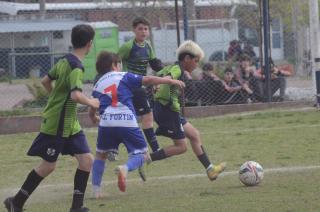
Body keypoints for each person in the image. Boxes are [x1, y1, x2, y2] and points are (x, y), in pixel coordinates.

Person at [3, 24, 99, 212]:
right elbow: (75, 96)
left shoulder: (65, 60)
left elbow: (45, 81)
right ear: (90, 44)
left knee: (87, 159)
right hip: (58, 123)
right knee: (48, 166)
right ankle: (16, 202)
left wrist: (56, 97)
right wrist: (92, 103)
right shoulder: (76, 67)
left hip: (70, 123)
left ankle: (76, 208)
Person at [89, 51, 185, 196]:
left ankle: (96, 191)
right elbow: (147, 79)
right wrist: (170, 81)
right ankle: (125, 168)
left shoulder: (98, 83)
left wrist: (94, 117)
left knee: (100, 156)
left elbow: (93, 105)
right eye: (119, 63)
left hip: (106, 122)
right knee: (142, 155)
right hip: (126, 120)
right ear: (114, 65)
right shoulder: (124, 76)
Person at [150, 40, 226, 181]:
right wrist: (160, 83)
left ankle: (210, 169)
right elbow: (167, 77)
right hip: (167, 111)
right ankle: (144, 159)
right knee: (181, 147)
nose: (197, 64)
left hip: (167, 110)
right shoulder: (177, 69)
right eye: (196, 61)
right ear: (187, 58)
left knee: (194, 135)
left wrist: (157, 83)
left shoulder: (171, 67)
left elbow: (160, 74)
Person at [118, 17, 163, 153]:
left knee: (127, 118)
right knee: (147, 115)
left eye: (146, 29)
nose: (143, 32)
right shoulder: (128, 46)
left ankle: (112, 149)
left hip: (140, 85)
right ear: (134, 30)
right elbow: (115, 61)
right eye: (140, 29)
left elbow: (155, 64)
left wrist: (163, 75)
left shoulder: (148, 46)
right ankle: (155, 149)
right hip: (130, 86)